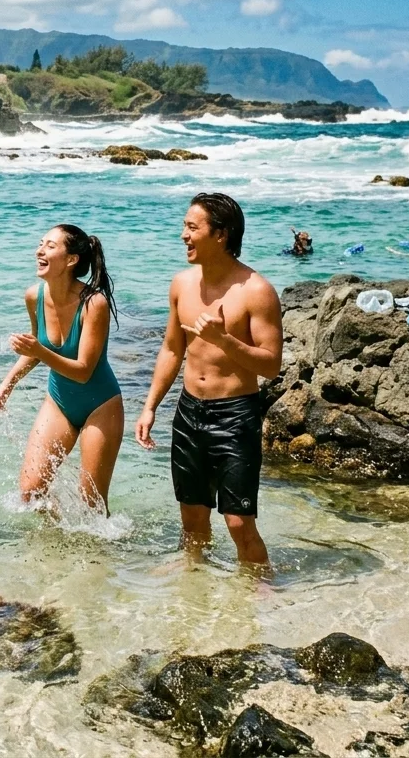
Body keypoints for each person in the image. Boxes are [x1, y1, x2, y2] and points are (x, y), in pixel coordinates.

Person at [136, 193, 282, 566]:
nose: (183, 235)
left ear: (221, 234)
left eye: (192, 227)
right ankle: (194, 596)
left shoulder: (256, 291)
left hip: (235, 415)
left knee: (238, 523)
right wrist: (150, 406)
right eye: (184, 226)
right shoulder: (182, 285)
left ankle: (259, 596)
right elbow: (171, 349)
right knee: (192, 519)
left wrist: (225, 340)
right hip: (188, 413)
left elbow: (271, 365)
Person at [0, 225, 123, 514]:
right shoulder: (33, 296)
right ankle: (55, 549)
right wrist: (7, 385)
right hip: (59, 401)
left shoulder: (93, 303)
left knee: (92, 503)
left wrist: (38, 350)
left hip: (101, 405)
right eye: (41, 244)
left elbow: (83, 371)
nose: (40, 250)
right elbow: (36, 350)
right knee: (30, 492)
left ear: (71, 259)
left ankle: (102, 557)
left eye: (50, 246)